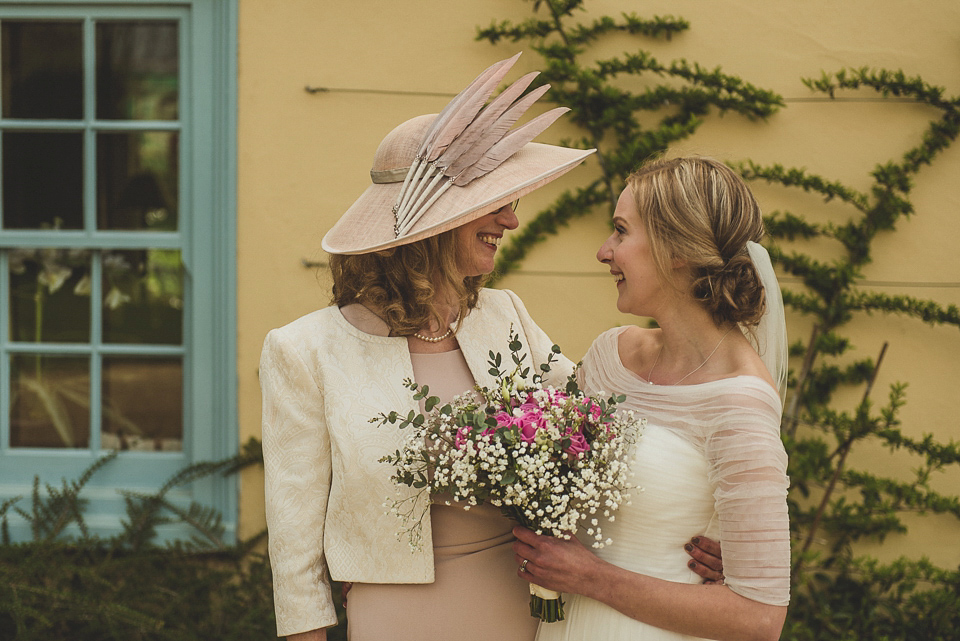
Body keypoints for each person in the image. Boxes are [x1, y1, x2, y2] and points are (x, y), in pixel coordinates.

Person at [260, 56, 723, 641]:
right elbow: (295, 561)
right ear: (430, 224)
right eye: (493, 203)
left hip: (531, 613)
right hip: (398, 620)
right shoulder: (303, 352)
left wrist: (711, 531)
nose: (512, 219)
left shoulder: (507, 318)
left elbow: (610, 430)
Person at [512, 156, 790, 641]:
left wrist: (593, 578)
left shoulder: (739, 402)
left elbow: (760, 618)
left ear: (675, 249)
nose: (604, 251)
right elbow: (546, 475)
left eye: (621, 231)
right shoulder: (609, 357)